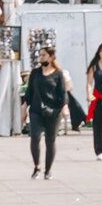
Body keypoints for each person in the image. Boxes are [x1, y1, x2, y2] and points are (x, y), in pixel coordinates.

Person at [22, 44, 73, 180]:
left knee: (50, 141)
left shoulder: (58, 74)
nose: (41, 57)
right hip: (36, 110)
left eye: (44, 55)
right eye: (40, 55)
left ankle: (48, 170)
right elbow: (29, 92)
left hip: (53, 111)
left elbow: (63, 93)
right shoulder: (35, 73)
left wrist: (64, 107)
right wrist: (24, 109)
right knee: (35, 137)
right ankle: (37, 166)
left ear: (51, 57)